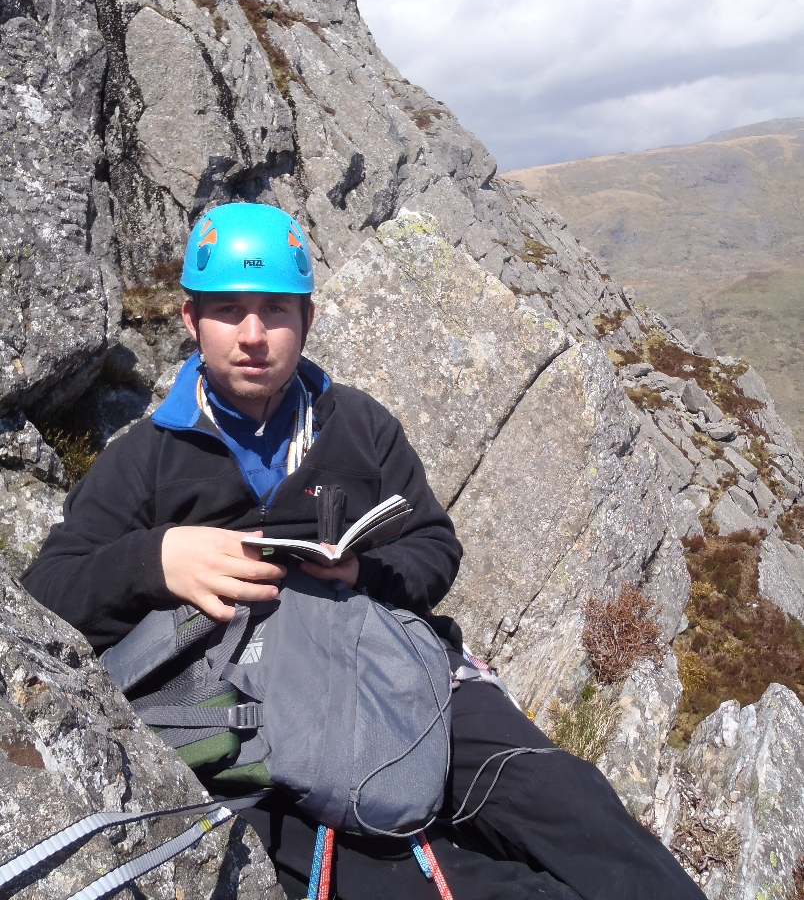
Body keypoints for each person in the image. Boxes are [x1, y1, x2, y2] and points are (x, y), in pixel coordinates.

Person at [22, 203, 704, 900]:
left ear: (308, 321)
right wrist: (157, 560)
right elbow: (44, 596)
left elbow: (436, 546)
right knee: (427, 882)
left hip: (396, 666)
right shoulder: (144, 460)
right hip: (244, 713)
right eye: (228, 310)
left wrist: (362, 570)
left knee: (566, 802)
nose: (252, 335)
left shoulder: (358, 426)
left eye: (276, 311)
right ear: (191, 322)